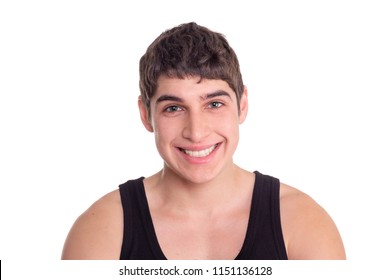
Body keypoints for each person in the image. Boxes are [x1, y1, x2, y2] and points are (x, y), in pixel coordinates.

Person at [61, 22, 346, 260]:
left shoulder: (302, 223)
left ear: (242, 105)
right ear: (145, 115)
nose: (196, 133)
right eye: (173, 108)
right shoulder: (101, 231)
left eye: (214, 104)